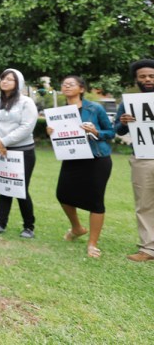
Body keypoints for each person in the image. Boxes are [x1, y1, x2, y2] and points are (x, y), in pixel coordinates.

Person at [49, 75, 115, 258]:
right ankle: (77, 228)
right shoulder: (59, 112)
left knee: (95, 200)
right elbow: (61, 136)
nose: (66, 86)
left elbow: (110, 132)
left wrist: (95, 131)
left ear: (82, 89)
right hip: (72, 158)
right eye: (64, 84)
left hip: (97, 159)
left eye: (71, 84)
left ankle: (92, 244)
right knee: (62, 194)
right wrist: (51, 132)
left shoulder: (95, 108)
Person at [0, 69, 38, 238]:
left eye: (9, 79)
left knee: (21, 188)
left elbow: (27, 126)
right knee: (4, 185)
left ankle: (29, 226)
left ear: (18, 83)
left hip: (22, 150)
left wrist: (3, 142)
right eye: (2, 78)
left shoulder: (26, 102)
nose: (4, 81)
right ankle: (0, 223)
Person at [114, 59, 154, 262]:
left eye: (151, 76)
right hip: (143, 157)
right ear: (136, 79)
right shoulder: (129, 103)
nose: (147, 79)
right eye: (143, 76)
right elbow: (118, 130)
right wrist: (123, 123)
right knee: (144, 203)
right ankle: (149, 249)